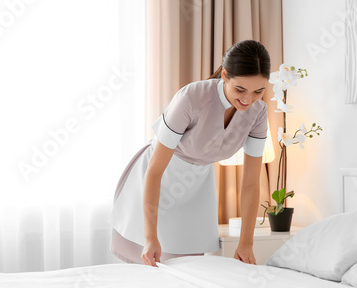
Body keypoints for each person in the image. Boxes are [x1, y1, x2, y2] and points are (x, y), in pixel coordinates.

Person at [108, 39, 271, 267]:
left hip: (197, 189)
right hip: (157, 181)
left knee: (186, 274)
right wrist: (150, 237)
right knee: (146, 270)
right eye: (240, 89)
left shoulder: (258, 112)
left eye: (258, 91)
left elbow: (251, 184)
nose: (248, 99)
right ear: (225, 75)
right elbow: (154, 172)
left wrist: (246, 242)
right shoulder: (192, 97)